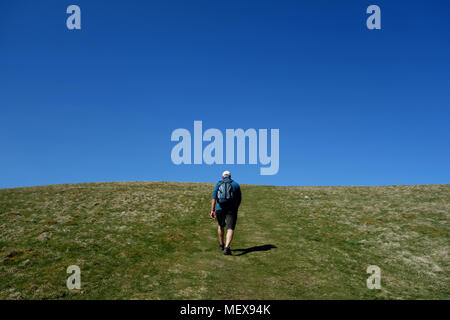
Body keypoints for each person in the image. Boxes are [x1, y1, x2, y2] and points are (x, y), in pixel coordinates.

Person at [210, 170, 241, 255]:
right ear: (230, 176)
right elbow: (239, 199)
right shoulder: (235, 184)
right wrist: (236, 208)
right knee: (230, 228)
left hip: (220, 208)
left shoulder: (218, 184)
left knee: (220, 226)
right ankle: (227, 247)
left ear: (223, 176)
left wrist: (212, 210)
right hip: (232, 209)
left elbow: (214, 198)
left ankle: (221, 244)